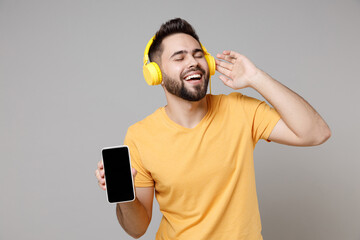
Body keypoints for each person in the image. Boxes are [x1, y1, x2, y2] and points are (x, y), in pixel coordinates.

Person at [95, 18, 331, 240]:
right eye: (179, 58)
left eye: (198, 55)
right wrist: (123, 196)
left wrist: (256, 78)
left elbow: (316, 132)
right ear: (156, 74)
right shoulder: (140, 136)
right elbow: (137, 229)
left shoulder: (240, 109)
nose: (193, 62)